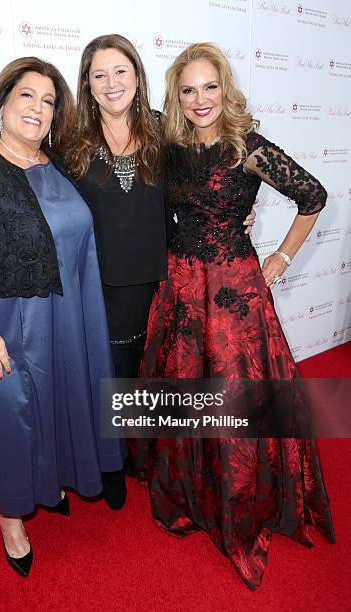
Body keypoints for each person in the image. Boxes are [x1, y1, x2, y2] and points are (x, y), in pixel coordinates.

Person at [133, 43, 335, 589]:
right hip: (179, 288)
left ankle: (239, 502)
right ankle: (189, 492)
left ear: (227, 89)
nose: (201, 99)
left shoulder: (249, 148)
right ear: (177, 96)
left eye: (210, 87)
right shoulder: (170, 148)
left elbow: (313, 196)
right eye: (188, 90)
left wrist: (279, 257)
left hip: (231, 292)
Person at [0, 57, 125, 577]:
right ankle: (12, 521)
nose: (38, 109)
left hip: (61, 317)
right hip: (3, 323)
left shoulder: (54, 164)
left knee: (56, 405)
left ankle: (50, 482)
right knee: (13, 417)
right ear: (2, 102)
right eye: (27, 96)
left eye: (48, 101)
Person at [65, 34, 257, 507]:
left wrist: (230, 213)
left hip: (163, 276)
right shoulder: (72, 144)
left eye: (121, 71)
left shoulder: (162, 131)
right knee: (106, 375)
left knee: (148, 373)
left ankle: (138, 454)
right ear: (87, 85)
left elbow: (204, 177)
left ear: (137, 76)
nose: (112, 83)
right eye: (99, 75)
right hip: (99, 282)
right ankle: (108, 463)